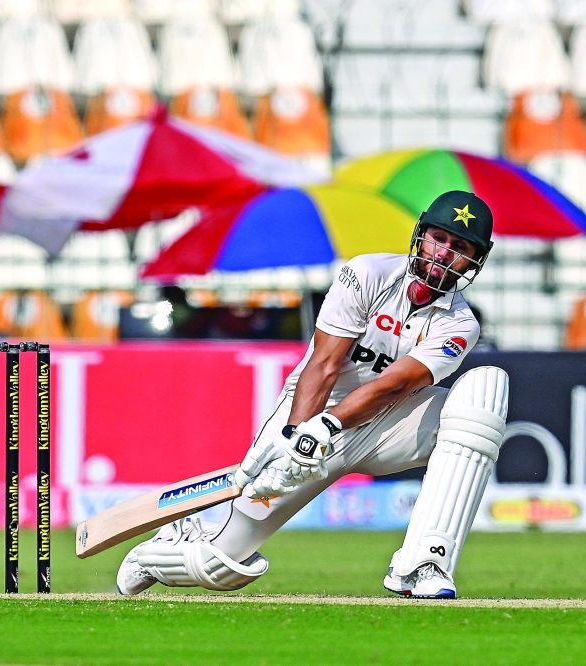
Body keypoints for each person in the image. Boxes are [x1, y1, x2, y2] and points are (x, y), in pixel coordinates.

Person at [116, 190, 509, 599]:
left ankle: (425, 562)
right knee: (222, 566)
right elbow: (323, 365)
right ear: (420, 234)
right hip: (310, 415)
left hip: (387, 426)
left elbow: (395, 383)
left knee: (486, 389)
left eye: (459, 247)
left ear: (475, 261)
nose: (443, 253)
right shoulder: (367, 274)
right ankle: (164, 549)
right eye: (438, 238)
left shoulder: (461, 324)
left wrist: (328, 425)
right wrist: (294, 438)